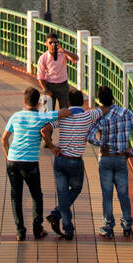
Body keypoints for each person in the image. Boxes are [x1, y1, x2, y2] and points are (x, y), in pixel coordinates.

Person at [2, 87, 70, 242]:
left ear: (24, 101)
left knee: (16, 196)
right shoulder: (42, 117)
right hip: (30, 163)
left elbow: (3, 140)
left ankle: (20, 232)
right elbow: (64, 112)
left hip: (12, 161)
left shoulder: (15, 116)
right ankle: (37, 229)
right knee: (36, 195)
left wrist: (9, 157)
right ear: (38, 103)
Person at [41, 88, 103, 240]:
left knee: (63, 194)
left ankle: (67, 227)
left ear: (68, 102)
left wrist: (52, 146)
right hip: (75, 161)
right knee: (76, 188)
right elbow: (103, 109)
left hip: (60, 159)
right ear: (82, 102)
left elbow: (44, 130)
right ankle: (58, 216)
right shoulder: (88, 115)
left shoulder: (62, 116)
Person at [89, 85, 133, 239]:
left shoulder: (101, 116)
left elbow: (90, 136)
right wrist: (132, 152)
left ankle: (108, 227)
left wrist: (101, 145)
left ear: (100, 100)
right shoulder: (126, 113)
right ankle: (127, 225)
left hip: (106, 159)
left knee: (107, 194)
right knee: (123, 193)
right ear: (113, 97)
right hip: (121, 158)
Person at [36, 32, 78, 110]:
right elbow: (40, 76)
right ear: (46, 44)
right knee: (48, 112)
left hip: (63, 86)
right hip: (49, 86)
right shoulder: (43, 58)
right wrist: (45, 89)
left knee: (65, 110)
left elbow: (76, 58)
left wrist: (65, 52)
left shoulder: (63, 52)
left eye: (55, 42)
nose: (53, 44)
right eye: (50, 42)